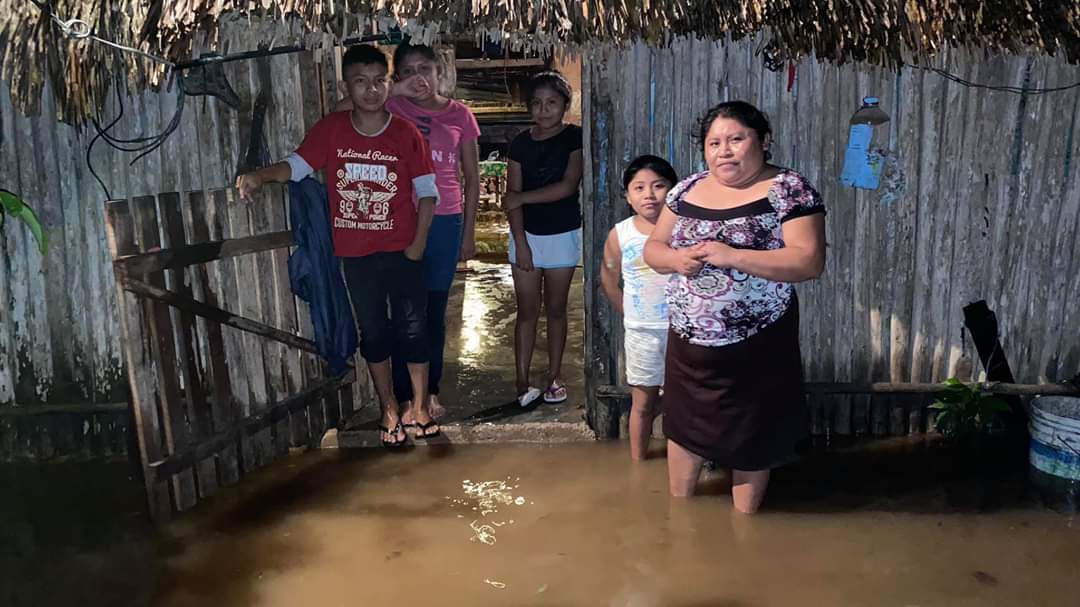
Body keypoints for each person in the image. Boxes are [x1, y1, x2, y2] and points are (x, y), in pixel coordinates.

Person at [236, 44, 440, 447]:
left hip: (403, 251)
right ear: (347, 84)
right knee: (375, 334)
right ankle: (388, 409)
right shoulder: (332, 129)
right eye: (360, 82)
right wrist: (260, 176)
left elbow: (427, 193)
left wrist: (416, 246)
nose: (370, 90)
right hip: (356, 255)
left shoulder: (405, 133)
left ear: (389, 84)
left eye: (378, 81)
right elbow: (297, 166)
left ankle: (419, 406)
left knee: (415, 330)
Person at [643, 101, 827, 513]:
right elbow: (654, 248)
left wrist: (734, 256)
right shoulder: (686, 189)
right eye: (714, 143)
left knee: (752, 435)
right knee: (683, 428)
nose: (723, 150)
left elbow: (808, 260)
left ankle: (745, 526)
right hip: (690, 347)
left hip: (758, 344)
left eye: (736, 139)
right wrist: (675, 259)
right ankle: (680, 519)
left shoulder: (788, 189)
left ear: (762, 141)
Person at [338, 42, 481, 423]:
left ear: (439, 73)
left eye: (426, 69)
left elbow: (472, 177)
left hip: (445, 220)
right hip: (398, 221)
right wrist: (394, 91)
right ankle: (403, 397)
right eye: (409, 70)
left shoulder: (460, 115)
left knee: (432, 312)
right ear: (397, 76)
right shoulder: (390, 105)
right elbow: (337, 115)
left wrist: (468, 235)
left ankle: (429, 392)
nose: (419, 77)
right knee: (400, 312)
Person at [503, 71, 583, 407]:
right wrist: (520, 242)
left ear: (565, 105)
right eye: (536, 103)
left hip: (563, 234)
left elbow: (568, 186)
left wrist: (522, 198)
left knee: (556, 309)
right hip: (526, 236)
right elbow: (511, 198)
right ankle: (521, 380)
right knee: (526, 311)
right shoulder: (520, 143)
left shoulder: (575, 139)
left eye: (551, 103)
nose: (544, 110)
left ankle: (554, 376)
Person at [600, 155, 678, 461]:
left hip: (683, 332)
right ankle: (638, 463)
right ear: (627, 196)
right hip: (641, 333)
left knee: (681, 401)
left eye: (659, 186)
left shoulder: (685, 230)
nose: (650, 194)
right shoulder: (620, 234)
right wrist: (632, 314)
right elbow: (608, 281)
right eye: (640, 187)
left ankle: (681, 462)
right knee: (642, 403)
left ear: (673, 191)